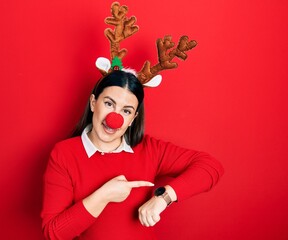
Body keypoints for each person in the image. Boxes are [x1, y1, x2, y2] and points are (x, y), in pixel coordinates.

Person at [41, 70, 224, 240]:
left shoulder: (150, 149)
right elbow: (54, 233)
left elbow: (210, 166)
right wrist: (104, 195)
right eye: (108, 104)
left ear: (132, 119)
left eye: (126, 111)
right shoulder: (64, 154)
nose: (115, 118)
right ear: (93, 103)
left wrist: (164, 198)